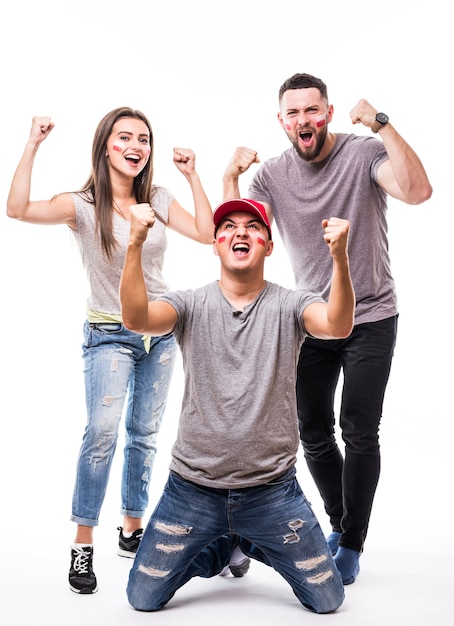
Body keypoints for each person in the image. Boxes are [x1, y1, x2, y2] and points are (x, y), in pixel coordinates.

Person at [222, 73, 433, 585]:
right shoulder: (272, 175)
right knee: (313, 430)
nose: (303, 121)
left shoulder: (362, 155)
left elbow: (419, 192)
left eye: (311, 110)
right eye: (293, 113)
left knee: (359, 428)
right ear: (281, 121)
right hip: (314, 317)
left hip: (373, 313)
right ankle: (340, 522)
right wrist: (230, 177)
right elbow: (237, 235)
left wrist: (382, 124)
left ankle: (352, 543)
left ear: (329, 112)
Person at [6, 108, 215, 594]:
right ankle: (83, 544)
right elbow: (16, 209)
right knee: (101, 434)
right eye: (125, 137)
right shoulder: (81, 205)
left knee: (144, 434)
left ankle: (131, 528)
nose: (136, 145)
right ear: (105, 146)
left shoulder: (158, 198)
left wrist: (192, 175)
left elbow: (207, 233)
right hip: (109, 333)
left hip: (160, 331)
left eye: (143, 138)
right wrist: (33, 143)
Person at [118, 197, 354, 613]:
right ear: (215, 244)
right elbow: (136, 318)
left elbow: (337, 325)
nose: (240, 232)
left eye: (253, 227)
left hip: (271, 492)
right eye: (229, 226)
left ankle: (252, 540)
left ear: (267, 245)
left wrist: (339, 258)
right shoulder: (190, 303)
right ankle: (223, 548)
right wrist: (135, 243)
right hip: (192, 488)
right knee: (142, 598)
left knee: (327, 599)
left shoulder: (290, 304)